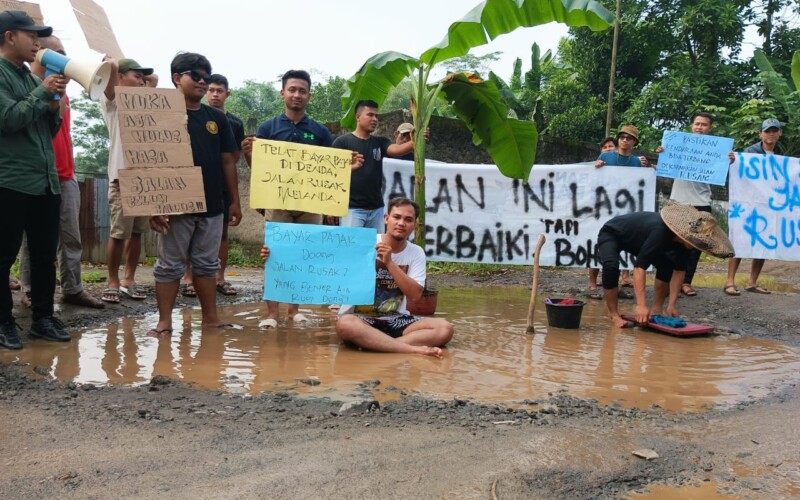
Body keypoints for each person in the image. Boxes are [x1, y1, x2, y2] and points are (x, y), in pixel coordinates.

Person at [259, 197, 452, 357]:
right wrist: (277, 255)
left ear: (414, 224)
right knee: (345, 324)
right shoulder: (361, 242)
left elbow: (415, 296)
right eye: (397, 217)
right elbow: (316, 261)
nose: (401, 223)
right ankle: (409, 348)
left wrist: (390, 263)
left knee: (445, 328)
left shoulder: (416, 253)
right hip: (361, 320)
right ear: (386, 218)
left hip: (396, 319)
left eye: (408, 219)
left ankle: (382, 345)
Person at [243, 69, 356, 328]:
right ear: (282, 93)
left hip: (311, 206)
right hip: (278, 203)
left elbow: (328, 171)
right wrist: (249, 154)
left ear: (309, 96)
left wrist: (348, 168)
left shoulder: (320, 132)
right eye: (292, 89)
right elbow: (260, 171)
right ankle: (272, 313)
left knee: (303, 257)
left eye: (302, 91)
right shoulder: (268, 128)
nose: (297, 94)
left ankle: (294, 311)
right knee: (275, 255)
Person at [147, 52, 241, 336]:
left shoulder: (217, 118)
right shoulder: (159, 114)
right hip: (175, 206)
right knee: (169, 265)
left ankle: (210, 318)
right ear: (177, 78)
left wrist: (234, 201)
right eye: (196, 76)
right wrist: (154, 204)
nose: (203, 82)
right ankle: (164, 322)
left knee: (207, 265)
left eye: (206, 77)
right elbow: (148, 159)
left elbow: (228, 160)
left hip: (212, 204)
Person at [15, 35, 104, 309]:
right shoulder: (24, 87)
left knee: (71, 238)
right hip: (36, 174)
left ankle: (73, 288)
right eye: (57, 52)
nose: (64, 58)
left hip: (66, 175)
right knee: (34, 240)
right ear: (39, 52)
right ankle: (31, 289)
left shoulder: (62, 94)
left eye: (64, 52)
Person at [0, 11, 69, 349]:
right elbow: (8, 119)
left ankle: (43, 318)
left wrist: (54, 109)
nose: (37, 43)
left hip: (44, 182)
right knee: (3, 256)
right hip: (10, 181)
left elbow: (45, 131)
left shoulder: (30, 79)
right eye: (32, 36)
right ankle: (3, 322)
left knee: (44, 256)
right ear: (10, 36)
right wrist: (43, 93)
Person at [597, 202, 734, 328]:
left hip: (639, 241)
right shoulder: (661, 232)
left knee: (666, 265)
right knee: (611, 266)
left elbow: (679, 271)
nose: (696, 245)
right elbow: (639, 268)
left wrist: (671, 305)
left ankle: (657, 308)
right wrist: (641, 305)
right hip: (612, 233)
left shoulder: (687, 244)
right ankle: (614, 314)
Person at [100, 56, 159, 304]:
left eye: (141, 77)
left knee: (136, 234)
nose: (142, 81)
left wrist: (139, 77)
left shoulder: (143, 104)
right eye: (136, 76)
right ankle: (112, 281)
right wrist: (113, 64)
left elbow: (154, 78)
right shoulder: (112, 102)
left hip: (142, 179)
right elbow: (112, 71)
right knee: (119, 233)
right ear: (120, 78)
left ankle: (129, 279)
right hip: (121, 176)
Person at [180, 73, 245, 298]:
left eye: (220, 91)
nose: (215, 94)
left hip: (220, 186)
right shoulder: (184, 115)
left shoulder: (234, 123)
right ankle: (188, 277)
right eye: (212, 90)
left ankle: (219, 278)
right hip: (189, 183)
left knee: (222, 235)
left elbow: (232, 158)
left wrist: (235, 199)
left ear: (227, 94)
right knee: (189, 233)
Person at [662, 112, 735, 298]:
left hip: (701, 203)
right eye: (697, 124)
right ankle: (667, 281)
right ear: (691, 126)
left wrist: (730, 161)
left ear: (710, 128)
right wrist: (663, 153)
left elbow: (724, 173)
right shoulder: (677, 145)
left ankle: (686, 282)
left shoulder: (717, 151)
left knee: (696, 246)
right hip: (678, 202)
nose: (699, 127)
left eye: (704, 124)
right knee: (671, 243)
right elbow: (666, 165)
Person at [332, 100, 417, 231]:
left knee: (376, 244)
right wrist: (332, 207)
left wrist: (416, 141)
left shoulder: (380, 142)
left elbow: (396, 150)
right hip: (352, 209)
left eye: (376, 116)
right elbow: (331, 175)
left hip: (377, 208)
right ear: (358, 117)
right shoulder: (342, 142)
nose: (375, 119)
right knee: (352, 243)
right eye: (370, 115)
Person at [724, 118, 783, 296]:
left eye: (774, 131)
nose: (771, 134)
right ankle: (729, 282)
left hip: (768, 206)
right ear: (760, 134)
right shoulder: (750, 152)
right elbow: (738, 175)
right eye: (767, 131)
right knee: (740, 241)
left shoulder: (780, 154)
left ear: (780, 134)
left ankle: (752, 282)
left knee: (763, 242)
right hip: (748, 204)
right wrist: (733, 162)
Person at [590, 125, 650, 299]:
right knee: (596, 243)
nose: (624, 140)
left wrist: (651, 169)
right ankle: (592, 285)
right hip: (603, 206)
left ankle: (613, 286)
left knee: (617, 247)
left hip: (624, 210)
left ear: (634, 142)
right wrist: (596, 165)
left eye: (628, 138)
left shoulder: (637, 162)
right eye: (622, 137)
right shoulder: (606, 156)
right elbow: (594, 176)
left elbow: (641, 183)